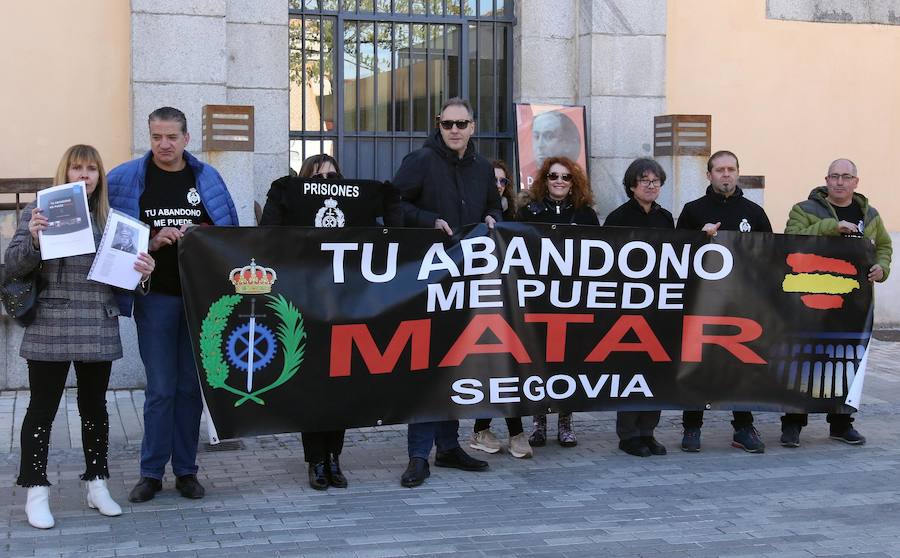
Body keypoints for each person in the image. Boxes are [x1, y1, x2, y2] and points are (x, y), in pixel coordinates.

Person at [7, 145, 155, 529]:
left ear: (99, 177)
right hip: (50, 323)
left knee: (95, 409)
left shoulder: (113, 220)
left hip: (97, 320)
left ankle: (97, 484)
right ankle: (36, 491)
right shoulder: (37, 212)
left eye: (91, 169)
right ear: (66, 173)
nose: (84, 175)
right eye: (77, 168)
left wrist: (143, 271)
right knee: (42, 409)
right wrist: (36, 239)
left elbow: (127, 282)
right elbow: (12, 265)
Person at [107, 107, 239, 503]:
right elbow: (111, 237)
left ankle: (186, 471)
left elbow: (229, 236)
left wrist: (198, 234)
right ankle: (150, 473)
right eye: (156, 137)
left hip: (200, 301)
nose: (164, 145)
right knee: (161, 389)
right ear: (149, 137)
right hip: (156, 298)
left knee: (188, 389)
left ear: (186, 139)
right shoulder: (126, 179)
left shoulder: (206, 178)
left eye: (171, 137)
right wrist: (150, 240)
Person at [387, 97, 501, 487]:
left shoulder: (484, 167)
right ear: (439, 125)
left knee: (457, 364)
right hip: (428, 279)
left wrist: (493, 218)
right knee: (427, 367)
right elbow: (393, 205)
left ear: (473, 126)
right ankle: (418, 455)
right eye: (448, 123)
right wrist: (427, 220)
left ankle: (449, 447)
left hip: (468, 281)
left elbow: (496, 209)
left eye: (461, 123)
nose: (454, 130)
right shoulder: (420, 161)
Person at [780, 158, 892, 447]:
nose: (840, 182)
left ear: (857, 181)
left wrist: (882, 268)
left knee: (848, 363)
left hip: (853, 305)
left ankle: (841, 424)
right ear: (826, 180)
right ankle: (793, 424)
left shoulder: (871, 215)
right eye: (834, 176)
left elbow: (883, 246)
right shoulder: (804, 210)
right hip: (808, 301)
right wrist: (831, 227)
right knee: (803, 362)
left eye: (846, 177)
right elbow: (791, 238)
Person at [260, 153, 357, 489]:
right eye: (317, 179)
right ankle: (316, 459)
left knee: (342, 385)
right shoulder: (289, 205)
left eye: (333, 179)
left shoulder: (351, 210)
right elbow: (268, 234)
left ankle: (335, 457)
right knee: (314, 386)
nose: (326, 186)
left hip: (343, 306)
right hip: (304, 304)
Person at [677, 150, 772, 454]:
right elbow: (675, 254)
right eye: (720, 170)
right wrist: (698, 239)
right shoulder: (693, 210)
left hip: (741, 306)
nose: (726, 175)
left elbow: (769, 255)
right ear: (709, 175)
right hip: (701, 303)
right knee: (697, 365)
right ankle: (692, 427)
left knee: (739, 367)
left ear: (738, 173)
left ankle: (743, 427)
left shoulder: (754, 213)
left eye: (731, 169)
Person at [518, 156, 599, 448]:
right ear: (545, 179)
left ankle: (566, 420)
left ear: (573, 182)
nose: (560, 181)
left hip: (573, 298)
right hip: (538, 298)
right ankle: (539, 422)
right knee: (539, 360)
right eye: (554, 176)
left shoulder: (586, 214)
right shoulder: (528, 212)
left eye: (566, 177)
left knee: (569, 360)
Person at [604, 157, 674, 457]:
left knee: (655, 369)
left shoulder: (666, 218)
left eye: (656, 181)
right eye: (644, 180)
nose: (650, 185)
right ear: (632, 185)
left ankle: (649, 430)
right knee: (630, 369)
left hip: (659, 305)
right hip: (627, 306)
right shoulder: (618, 217)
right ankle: (628, 434)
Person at [468, 159, 531, 459]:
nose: (498, 186)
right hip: (481, 307)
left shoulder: (517, 219)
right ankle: (513, 432)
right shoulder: (471, 219)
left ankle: (488, 429)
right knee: (494, 367)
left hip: (515, 306)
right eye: (492, 181)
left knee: (510, 367)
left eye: (503, 181)